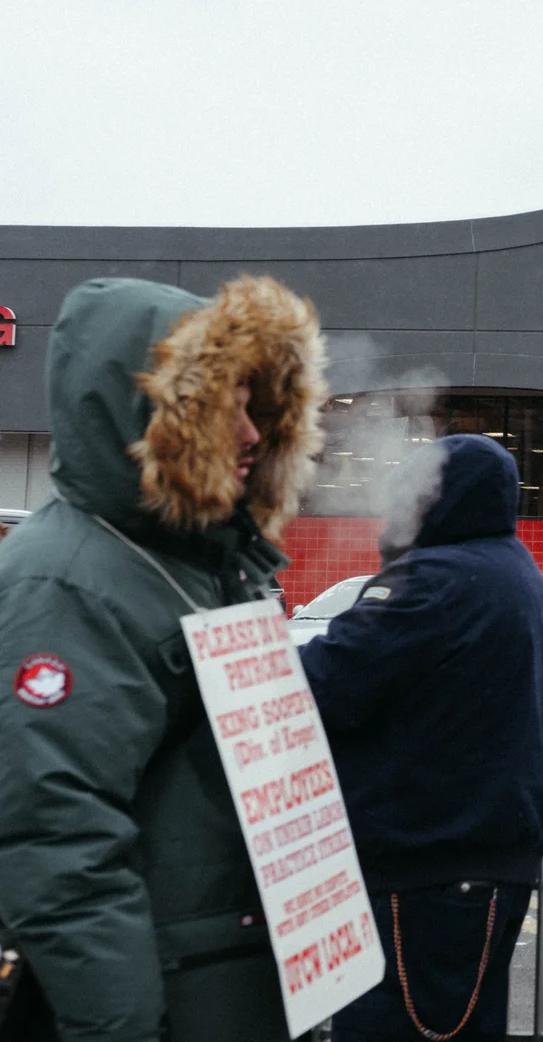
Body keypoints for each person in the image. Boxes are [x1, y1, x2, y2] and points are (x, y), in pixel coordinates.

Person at [0, 276, 327, 1042]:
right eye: (229, 406)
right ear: (157, 414)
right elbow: (61, 847)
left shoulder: (208, 560)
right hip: (170, 995)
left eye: (257, 404)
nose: (251, 434)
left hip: (223, 980)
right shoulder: (66, 580)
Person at [300, 433, 543, 1042]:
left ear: (436, 498)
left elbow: (328, 681)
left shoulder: (433, 581)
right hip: (479, 862)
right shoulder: (512, 569)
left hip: (427, 869)